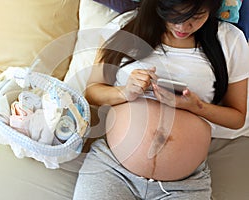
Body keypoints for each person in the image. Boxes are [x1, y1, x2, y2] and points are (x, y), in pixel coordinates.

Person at [73, 0, 249, 199]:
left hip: (184, 184)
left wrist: (196, 106)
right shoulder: (125, 26)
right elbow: (92, 91)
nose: (182, 26)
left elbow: (237, 118)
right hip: (113, 169)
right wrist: (125, 92)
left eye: (195, 17)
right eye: (173, 15)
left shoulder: (229, 39)